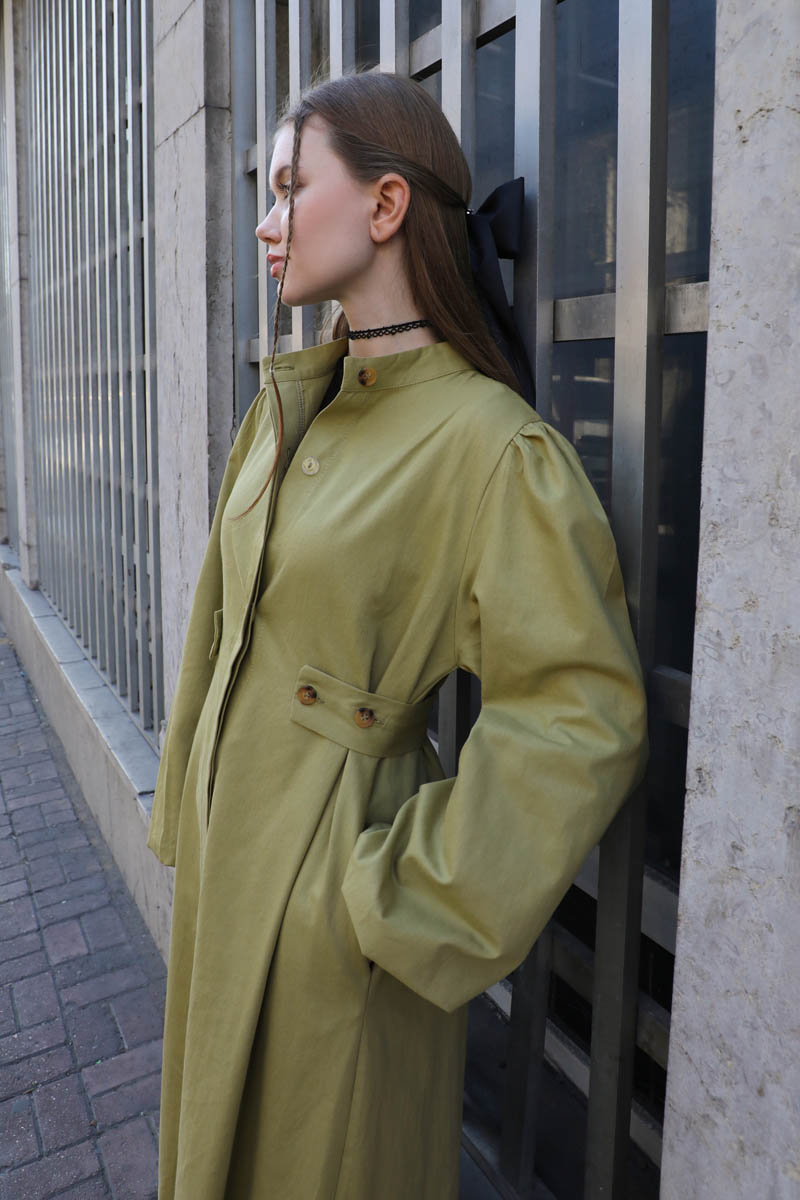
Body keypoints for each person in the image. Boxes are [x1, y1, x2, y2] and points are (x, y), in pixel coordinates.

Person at [146, 70, 648, 1200]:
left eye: (290, 187)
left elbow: (578, 713)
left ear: (384, 206)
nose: (266, 221)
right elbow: (222, 632)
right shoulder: (290, 406)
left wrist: (395, 897)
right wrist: (189, 811)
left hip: (332, 914)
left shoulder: (490, 448)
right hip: (229, 877)